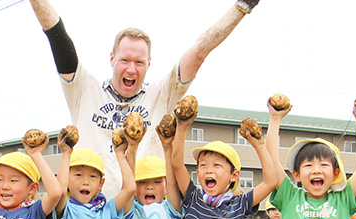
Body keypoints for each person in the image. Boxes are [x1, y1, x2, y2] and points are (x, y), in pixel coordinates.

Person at [28, 0, 261, 198]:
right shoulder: (83, 88)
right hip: (89, 209)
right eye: (125, 60)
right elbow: (57, 36)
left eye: (139, 62)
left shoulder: (161, 93)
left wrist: (242, 6)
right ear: (112, 58)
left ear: (148, 64)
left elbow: (199, 52)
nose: (131, 69)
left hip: (144, 211)